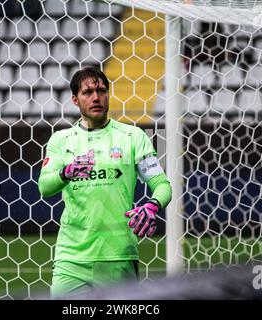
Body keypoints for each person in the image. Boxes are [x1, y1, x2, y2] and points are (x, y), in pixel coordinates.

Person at [38, 66, 172, 299]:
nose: (96, 97)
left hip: (118, 255)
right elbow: (44, 187)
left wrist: (152, 206)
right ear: (75, 100)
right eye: (87, 92)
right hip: (71, 257)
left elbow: (163, 185)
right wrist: (66, 173)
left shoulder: (134, 136)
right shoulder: (60, 140)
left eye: (101, 90)